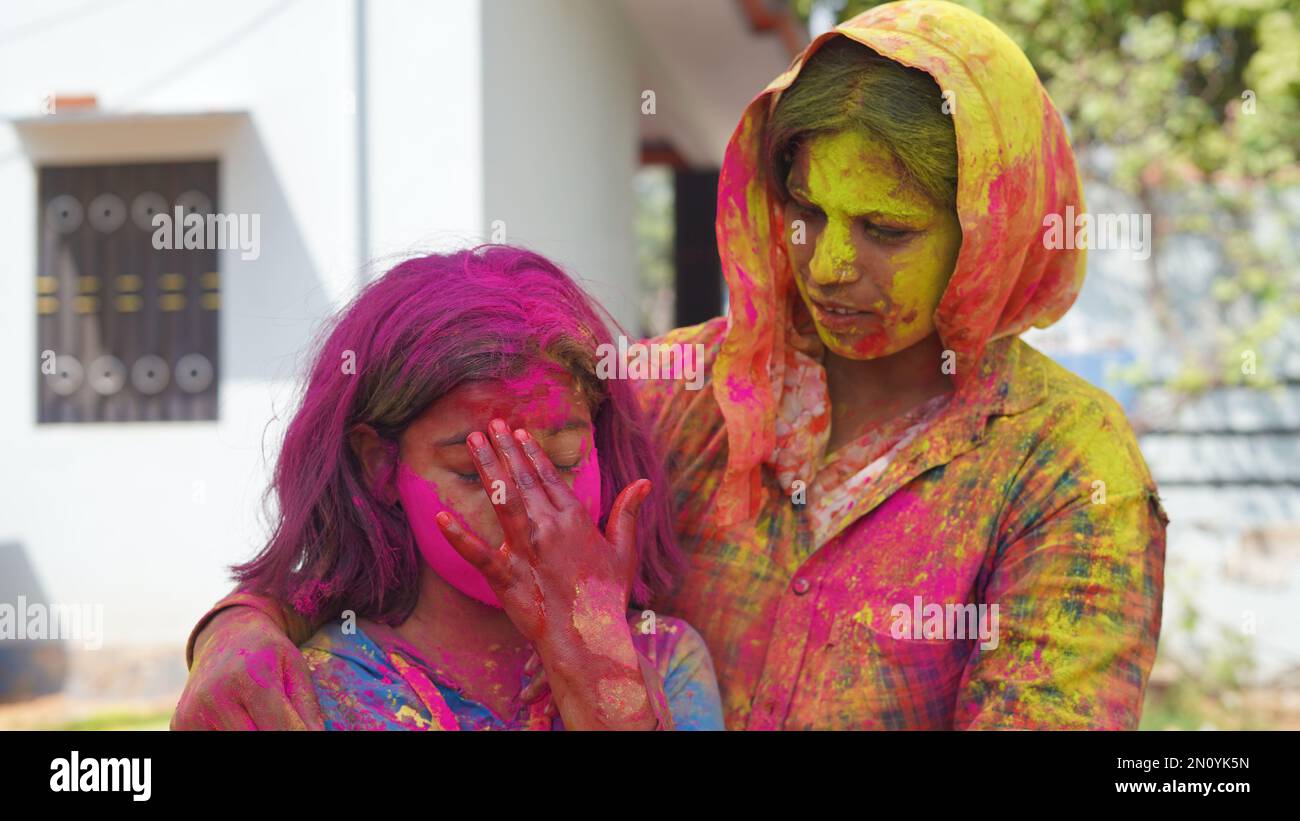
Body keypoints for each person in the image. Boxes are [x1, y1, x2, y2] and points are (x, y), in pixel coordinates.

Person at [172, 0, 1166, 731]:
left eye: (884, 228)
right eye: (806, 211)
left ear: (988, 231)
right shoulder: (667, 392)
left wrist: (597, 656)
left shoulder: (1067, 472)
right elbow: (405, 499)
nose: (824, 263)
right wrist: (245, 623)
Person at [178, 246, 724, 730]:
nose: (526, 510)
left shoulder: (665, 659)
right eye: (472, 472)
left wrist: (601, 679)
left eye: (562, 463)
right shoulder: (310, 689)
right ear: (379, 466)